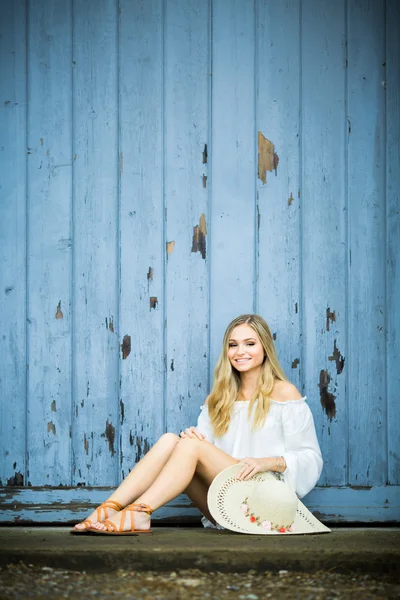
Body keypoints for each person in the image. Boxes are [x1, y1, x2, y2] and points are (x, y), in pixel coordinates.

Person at [72, 314, 323, 535]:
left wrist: (268, 461)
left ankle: (140, 511)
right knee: (172, 441)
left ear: (265, 348)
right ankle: (108, 508)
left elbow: (311, 457)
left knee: (190, 446)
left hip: (265, 499)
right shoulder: (218, 398)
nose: (240, 351)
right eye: (233, 345)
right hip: (223, 505)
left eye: (250, 344)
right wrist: (192, 438)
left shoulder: (284, 393)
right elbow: (202, 457)